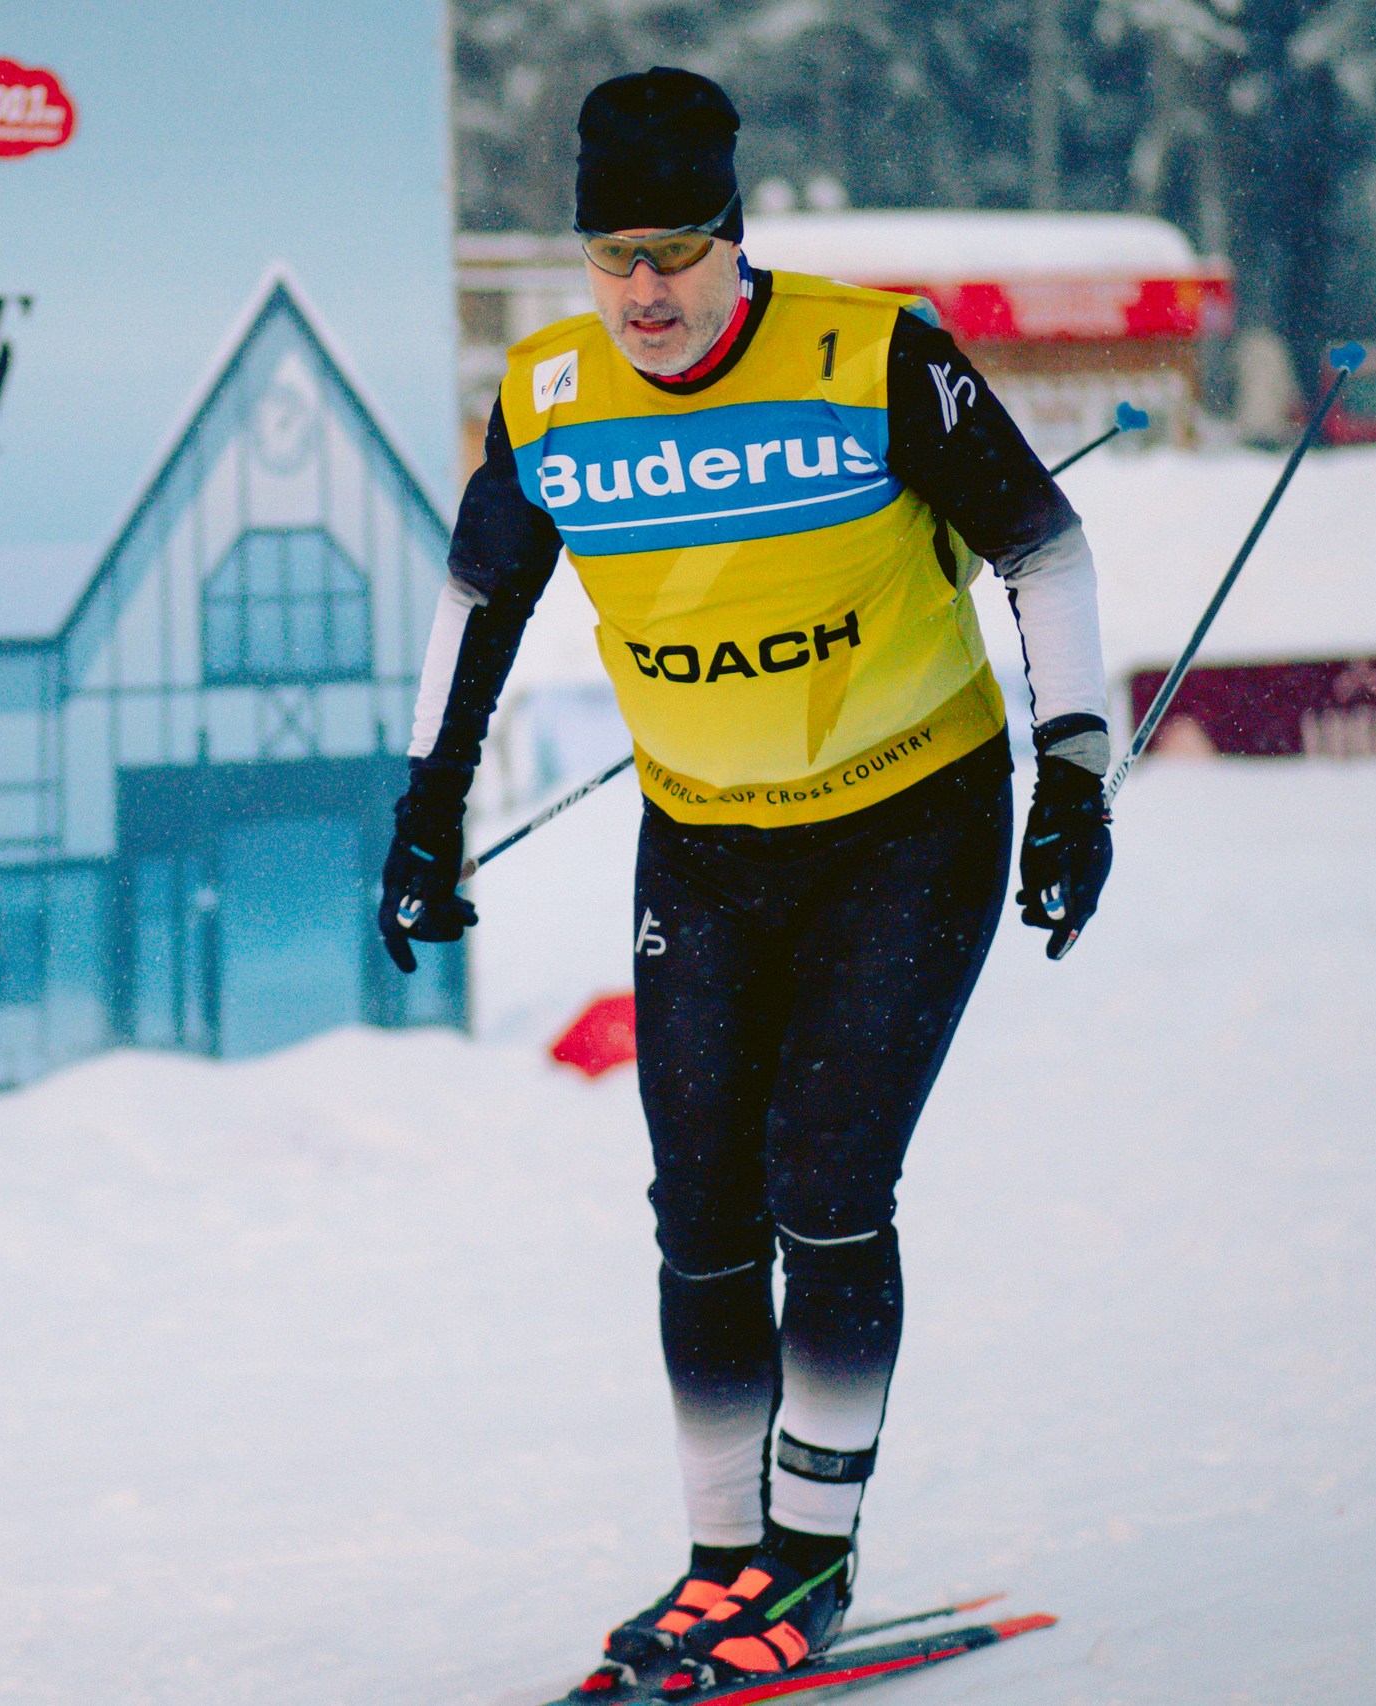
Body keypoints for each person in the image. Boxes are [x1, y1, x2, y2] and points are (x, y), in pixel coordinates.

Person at [379, 68, 1115, 1696]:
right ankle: (723, 1562)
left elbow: (1043, 549)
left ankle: (812, 1558)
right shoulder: (550, 394)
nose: (643, 292)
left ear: (734, 234)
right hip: (706, 845)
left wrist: (1073, 774)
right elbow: (481, 600)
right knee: (702, 1211)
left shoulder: (874, 355)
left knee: (826, 1184)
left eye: (675, 253)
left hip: (909, 828)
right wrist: (427, 804)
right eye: (612, 256)